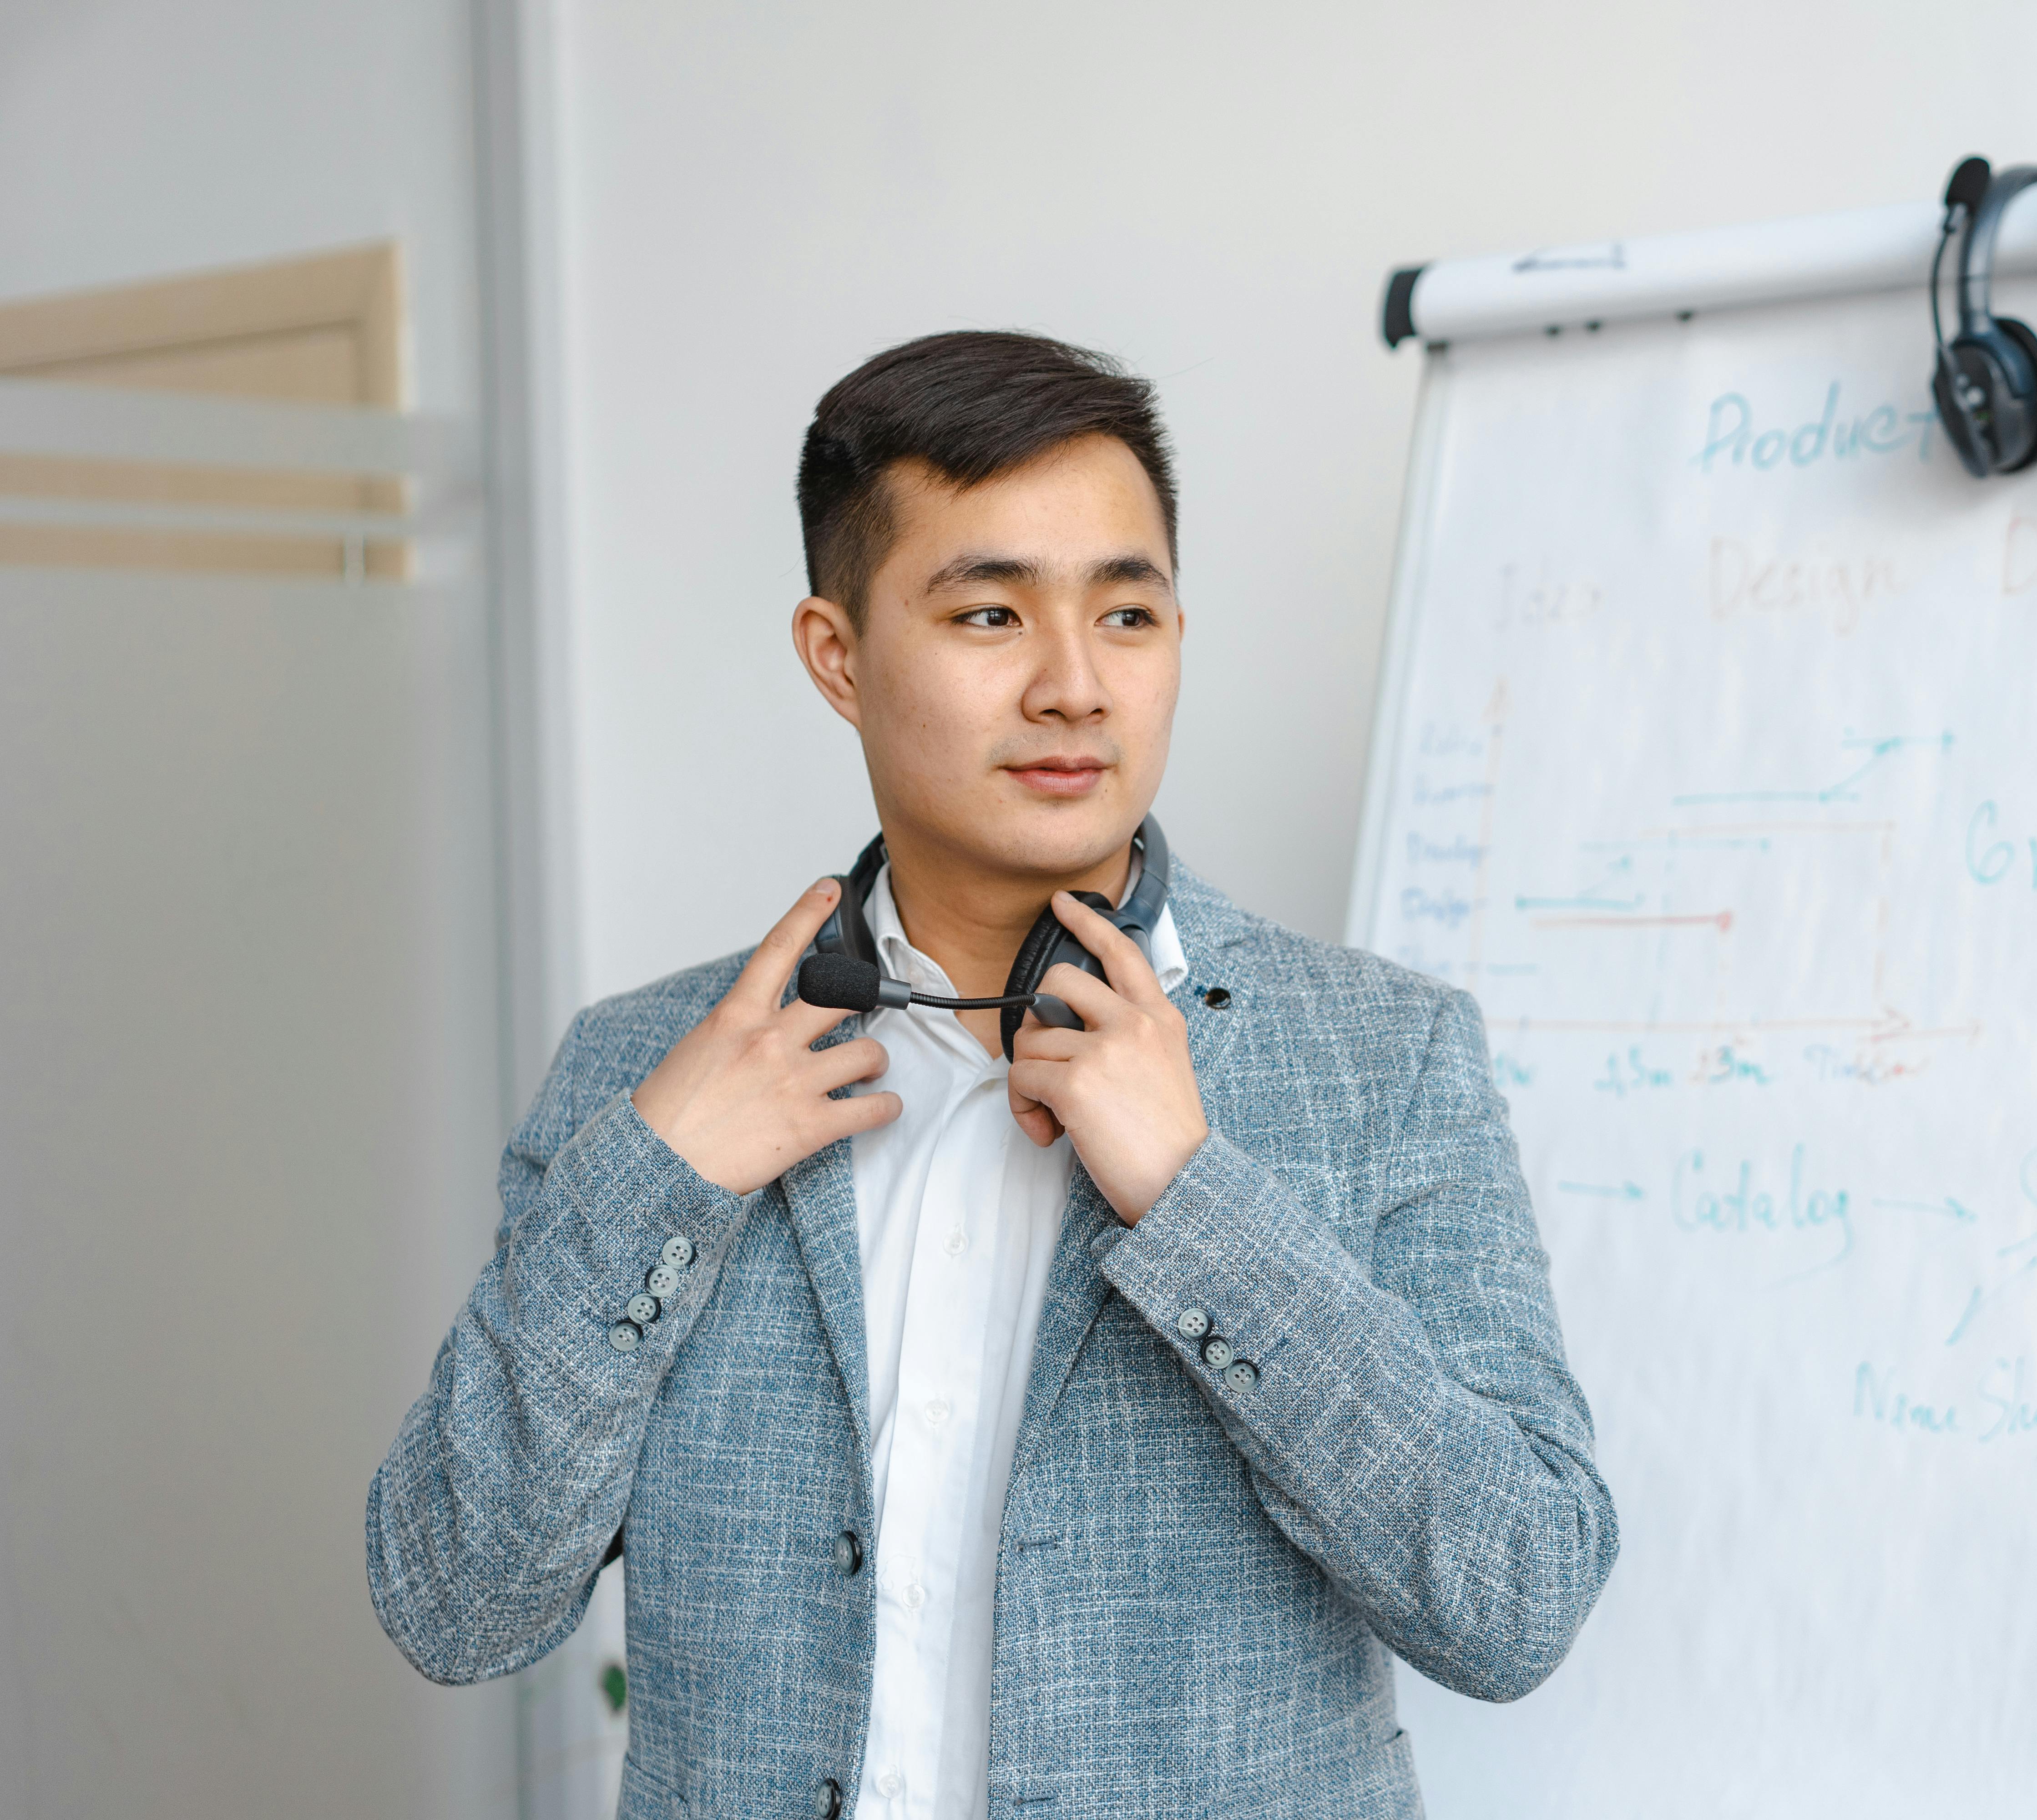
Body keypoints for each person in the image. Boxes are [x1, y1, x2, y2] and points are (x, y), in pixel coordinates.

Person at [366, 331, 1616, 1819]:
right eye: (988, 615)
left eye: (1129, 614)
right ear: (840, 656)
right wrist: (661, 1176)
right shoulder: (639, 1074)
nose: (1076, 687)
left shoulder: (1381, 1057)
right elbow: (453, 1600)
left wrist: (1197, 1202)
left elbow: (1517, 1594)